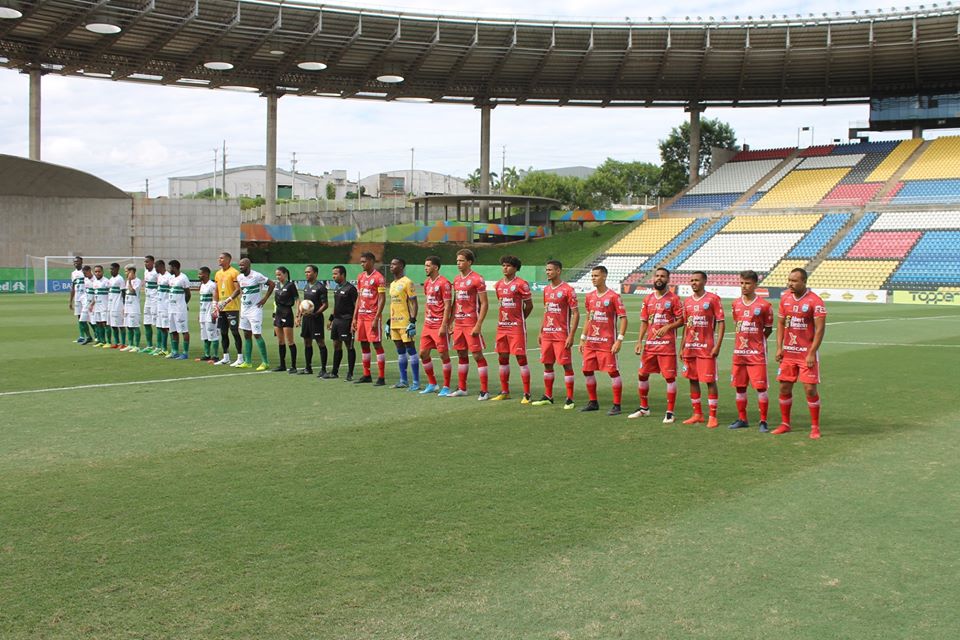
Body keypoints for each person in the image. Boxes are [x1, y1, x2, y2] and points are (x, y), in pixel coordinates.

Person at [773, 268, 826, 439]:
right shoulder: (785, 298)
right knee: (784, 387)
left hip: (806, 354)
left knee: (810, 389)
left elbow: (820, 330)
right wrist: (779, 347)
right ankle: (785, 423)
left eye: (794, 281)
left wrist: (812, 353)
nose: (790, 283)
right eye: (789, 280)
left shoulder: (815, 301)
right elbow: (780, 324)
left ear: (804, 282)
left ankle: (815, 427)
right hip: (788, 353)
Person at [631, 267, 685, 423]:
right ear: (653, 278)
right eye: (657, 276)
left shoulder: (674, 299)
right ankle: (644, 408)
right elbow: (644, 322)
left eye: (662, 276)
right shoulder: (647, 299)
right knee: (642, 374)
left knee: (669, 378)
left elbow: (681, 320)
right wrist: (639, 341)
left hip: (667, 346)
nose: (659, 278)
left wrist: (668, 327)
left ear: (668, 280)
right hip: (650, 346)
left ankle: (670, 412)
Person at [728, 270, 774, 432]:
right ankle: (742, 419)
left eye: (747, 283)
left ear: (755, 285)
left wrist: (756, 342)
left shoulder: (764, 306)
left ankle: (763, 421)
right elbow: (738, 324)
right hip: (739, 354)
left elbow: (768, 330)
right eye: (742, 283)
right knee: (740, 387)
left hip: (756, 354)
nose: (744, 286)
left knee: (761, 388)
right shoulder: (735, 304)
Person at [579, 265, 627, 415]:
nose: (593, 278)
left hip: (607, 343)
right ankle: (593, 402)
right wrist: (582, 338)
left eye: (596, 275)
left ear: (604, 276)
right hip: (591, 342)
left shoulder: (613, 296)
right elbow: (588, 318)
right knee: (587, 370)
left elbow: (623, 318)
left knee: (612, 371)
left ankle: (617, 405)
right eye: (592, 276)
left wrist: (619, 340)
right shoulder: (589, 296)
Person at [532, 260, 579, 409]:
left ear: (558, 271)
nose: (547, 272)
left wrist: (571, 335)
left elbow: (576, 313)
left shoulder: (568, 290)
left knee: (566, 365)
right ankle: (548, 396)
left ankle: (570, 398)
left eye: (550, 270)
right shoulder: (546, 290)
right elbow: (546, 311)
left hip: (561, 335)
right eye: (546, 270)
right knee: (547, 364)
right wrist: (541, 331)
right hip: (547, 334)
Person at [680, 271, 725, 428]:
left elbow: (720, 322)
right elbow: (687, 326)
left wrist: (717, 345)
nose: (693, 283)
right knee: (692, 379)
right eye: (691, 280)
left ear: (704, 281)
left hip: (707, 348)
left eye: (697, 280)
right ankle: (697, 414)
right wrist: (682, 347)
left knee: (709, 381)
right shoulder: (686, 302)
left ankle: (713, 416)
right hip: (690, 347)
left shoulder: (713, 299)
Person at [492, 255, 533, 403]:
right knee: (502, 357)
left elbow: (529, 306)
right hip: (502, 327)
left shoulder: (522, 284)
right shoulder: (498, 285)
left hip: (516, 328)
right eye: (503, 265)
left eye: (508, 265)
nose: (505, 268)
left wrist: (520, 320)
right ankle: (505, 391)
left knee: (521, 358)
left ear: (515, 268)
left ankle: (527, 393)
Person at [220, 258, 275, 370]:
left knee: (257, 334)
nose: (240, 267)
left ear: (248, 266)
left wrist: (264, 299)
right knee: (246, 334)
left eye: (242, 265)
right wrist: (227, 300)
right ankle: (248, 362)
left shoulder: (256, 276)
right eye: (239, 265)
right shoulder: (240, 277)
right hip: (244, 309)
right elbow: (238, 291)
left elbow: (272, 284)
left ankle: (265, 362)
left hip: (255, 310)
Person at [450, 249, 490, 400]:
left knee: (477, 355)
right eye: (457, 260)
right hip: (459, 323)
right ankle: (462, 388)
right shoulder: (457, 279)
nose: (458, 263)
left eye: (461, 260)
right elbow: (456, 302)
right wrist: (451, 322)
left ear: (469, 262)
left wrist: (479, 324)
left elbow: (485, 304)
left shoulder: (477, 279)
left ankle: (485, 391)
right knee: (461, 354)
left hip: (471, 322)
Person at [418, 256, 453, 396]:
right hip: (428, 324)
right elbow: (428, 301)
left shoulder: (444, 283)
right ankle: (432, 383)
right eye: (425, 265)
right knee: (423, 353)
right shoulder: (427, 283)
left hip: (439, 324)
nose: (425, 268)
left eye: (428, 265)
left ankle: (446, 386)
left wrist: (444, 325)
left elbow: (447, 305)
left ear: (436, 267)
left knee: (443, 354)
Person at [352, 252, 387, 385]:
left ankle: (381, 377)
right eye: (361, 262)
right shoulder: (360, 277)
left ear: (372, 261)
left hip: (372, 316)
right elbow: (359, 298)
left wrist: (377, 317)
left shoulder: (379, 278)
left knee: (376, 344)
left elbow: (382, 299)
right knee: (363, 343)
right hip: (361, 316)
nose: (362, 264)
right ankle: (367, 374)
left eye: (364, 261)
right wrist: (355, 318)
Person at [387, 257, 420, 390]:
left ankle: (416, 382)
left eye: (394, 264)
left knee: (411, 350)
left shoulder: (407, 282)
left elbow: (413, 302)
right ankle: (403, 380)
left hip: (405, 322)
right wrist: (389, 321)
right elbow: (394, 303)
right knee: (400, 352)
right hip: (395, 322)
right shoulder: (392, 284)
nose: (391, 266)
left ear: (401, 266)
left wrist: (412, 321)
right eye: (391, 264)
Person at [324, 265, 358, 380]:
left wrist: (354, 321)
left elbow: (356, 307)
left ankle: (350, 373)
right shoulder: (337, 288)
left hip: (346, 320)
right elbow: (336, 306)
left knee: (349, 346)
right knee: (336, 345)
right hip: (337, 321)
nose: (333, 276)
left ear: (342, 275)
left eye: (335, 274)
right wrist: (331, 319)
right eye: (333, 274)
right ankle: (334, 372)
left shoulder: (351, 289)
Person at [297, 265, 329, 376]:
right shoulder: (306, 287)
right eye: (305, 272)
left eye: (309, 272)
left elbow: (325, 305)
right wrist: (300, 316)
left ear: (315, 273)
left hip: (316, 319)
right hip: (307, 319)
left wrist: (316, 313)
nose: (306, 274)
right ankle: (308, 368)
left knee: (320, 342)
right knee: (307, 342)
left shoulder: (321, 287)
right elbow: (304, 304)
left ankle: (324, 369)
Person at [213, 252, 243, 366]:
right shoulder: (217, 274)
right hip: (221, 308)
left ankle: (240, 357)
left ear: (228, 260)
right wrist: (214, 303)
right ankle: (226, 357)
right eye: (219, 258)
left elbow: (237, 289)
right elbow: (216, 290)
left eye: (221, 258)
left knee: (235, 332)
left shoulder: (234, 272)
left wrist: (227, 300)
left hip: (232, 307)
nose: (219, 260)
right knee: (223, 332)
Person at [272, 266, 299, 373]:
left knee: (290, 341)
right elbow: (275, 301)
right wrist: (274, 314)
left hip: (287, 313)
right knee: (280, 341)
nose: (277, 277)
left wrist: (298, 315)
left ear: (285, 274)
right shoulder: (277, 285)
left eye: (279, 274)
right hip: (278, 314)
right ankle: (282, 365)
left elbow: (297, 299)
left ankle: (293, 366)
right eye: (276, 275)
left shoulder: (291, 285)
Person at [166, 259, 192, 360]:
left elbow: (188, 294)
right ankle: (174, 351)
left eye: (170, 267)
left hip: (180, 309)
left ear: (174, 267)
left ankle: (185, 353)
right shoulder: (171, 278)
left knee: (184, 330)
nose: (169, 269)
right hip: (171, 309)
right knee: (173, 331)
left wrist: (184, 304)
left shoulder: (183, 278)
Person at [197, 266, 220, 362]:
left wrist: (214, 312)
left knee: (213, 334)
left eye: (200, 274)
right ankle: (207, 355)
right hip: (203, 314)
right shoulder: (202, 285)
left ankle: (215, 356)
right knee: (205, 335)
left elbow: (216, 298)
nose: (198, 275)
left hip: (210, 314)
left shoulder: (212, 285)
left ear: (206, 274)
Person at [68, 255, 92, 344]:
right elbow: (73, 288)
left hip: (86, 298)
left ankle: (97, 336)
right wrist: (70, 301)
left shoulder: (85, 272)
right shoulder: (73, 273)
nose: (75, 263)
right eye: (74, 262)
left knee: (89, 318)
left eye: (77, 261)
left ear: (81, 262)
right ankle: (83, 336)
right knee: (79, 318)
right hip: (77, 298)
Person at [105, 262, 126, 349]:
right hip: (110, 305)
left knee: (120, 325)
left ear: (117, 269)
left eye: (112, 269)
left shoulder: (120, 279)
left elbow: (124, 293)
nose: (111, 270)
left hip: (118, 305)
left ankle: (123, 343)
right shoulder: (110, 279)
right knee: (113, 325)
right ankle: (117, 342)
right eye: (110, 269)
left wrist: (124, 306)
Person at [122, 264, 142, 352]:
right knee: (129, 326)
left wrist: (129, 281)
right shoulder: (127, 281)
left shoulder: (137, 281)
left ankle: (137, 346)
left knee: (135, 327)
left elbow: (132, 291)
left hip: (134, 308)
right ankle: (130, 344)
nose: (125, 273)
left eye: (126, 271)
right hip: (128, 307)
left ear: (131, 272)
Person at [88, 265, 109, 346]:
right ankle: (101, 341)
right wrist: (92, 305)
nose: (97, 273)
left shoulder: (106, 281)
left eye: (99, 271)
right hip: (97, 306)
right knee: (98, 323)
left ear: (102, 272)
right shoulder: (94, 282)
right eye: (96, 272)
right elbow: (95, 295)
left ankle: (108, 342)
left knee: (105, 324)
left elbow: (110, 294)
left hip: (104, 306)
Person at [142, 255, 159, 353]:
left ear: (153, 262)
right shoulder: (146, 271)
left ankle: (159, 346)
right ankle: (149, 345)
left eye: (147, 262)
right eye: (145, 262)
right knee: (146, 323)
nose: (146, 263)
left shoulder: (156, 273)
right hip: (147, 300)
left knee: (157, 324)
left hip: (155, 301)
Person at [154, 260, 171, 356]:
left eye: (156, 267)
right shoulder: (159, 276)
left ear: (161, 266)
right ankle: (160, 347)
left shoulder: (168, 277)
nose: (155, 269)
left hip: (166, 306)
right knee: (159, 327)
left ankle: (165, 348)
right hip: (159, 305)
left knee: (165, 328)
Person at [79, 265, 95, 345]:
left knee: (94, 322)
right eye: (83, 273)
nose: (84, 275)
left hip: (94, 304)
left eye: (85, 273)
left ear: (89, 271)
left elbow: (96, 293)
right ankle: (89, 337)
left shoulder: (95, 279)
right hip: (86, 303)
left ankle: (98, 337)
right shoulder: (86, 280)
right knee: (82, 321)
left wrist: (93, 303)